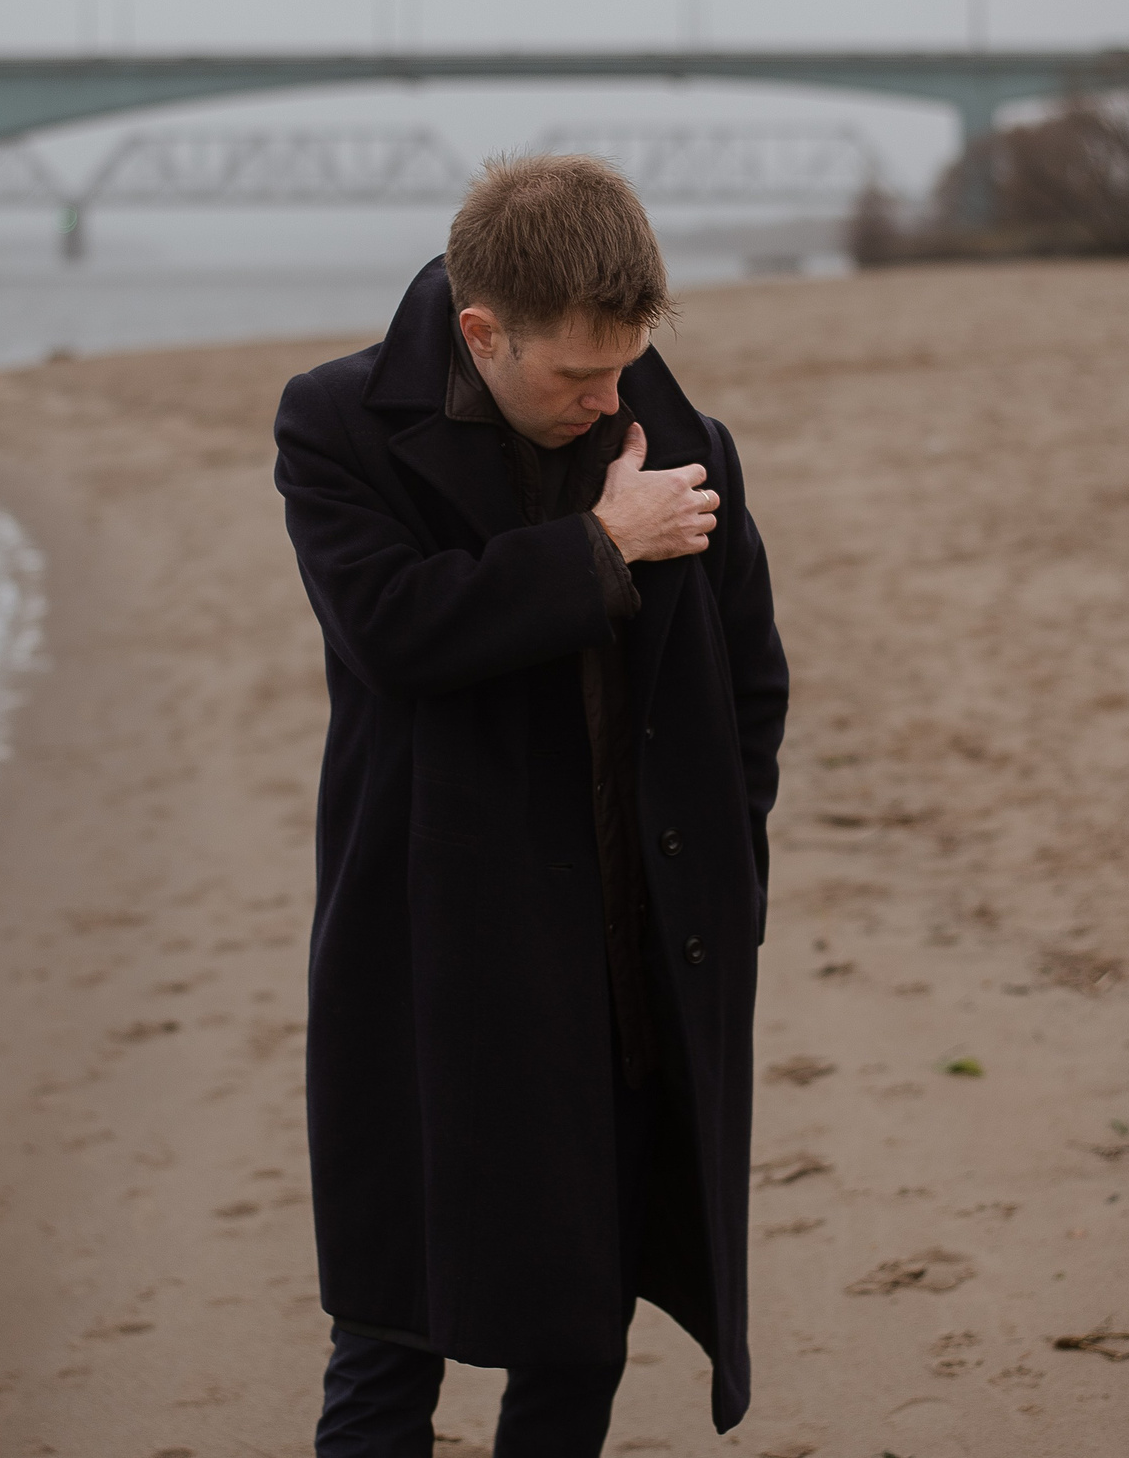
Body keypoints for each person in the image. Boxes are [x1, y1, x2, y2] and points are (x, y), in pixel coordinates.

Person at [272, 154, 788, 1456]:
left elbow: (751, 694)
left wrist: (726, 885)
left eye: (626, 365)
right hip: (425, 958)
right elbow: (396, 634)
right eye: (576, 379)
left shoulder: (688, 451)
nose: (609, 401)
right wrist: (601, 548)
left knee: (576, 1344)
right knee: (392, 1337)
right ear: (482, 332)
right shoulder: (335, 426)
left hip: (623, 971)